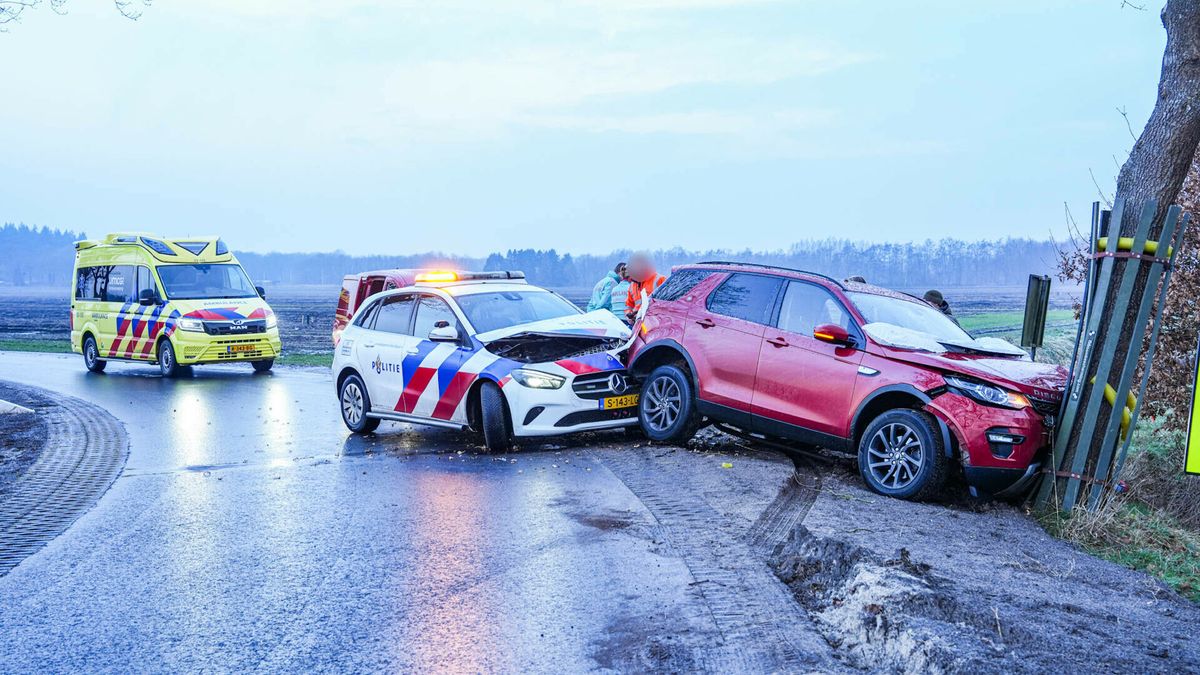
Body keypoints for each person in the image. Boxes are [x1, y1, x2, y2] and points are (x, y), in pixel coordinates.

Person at [624, 252, 667, 323]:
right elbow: (628, 305)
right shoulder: (632, 285)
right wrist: (629, 315)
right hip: (637, 323)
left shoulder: (659, 279)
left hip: (654, 322)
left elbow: (667, 303)